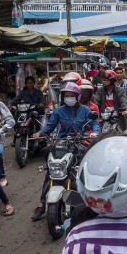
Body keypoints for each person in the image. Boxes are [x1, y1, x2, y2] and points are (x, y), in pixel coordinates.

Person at [31, 83, 101, 221]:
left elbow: (94, 124)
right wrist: (39, 133)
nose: (69, 98)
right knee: (52, 170)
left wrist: (95, 133)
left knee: (87, 168)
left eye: (71, 95)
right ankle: (41, 203)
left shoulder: (85, 110)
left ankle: (93, 199)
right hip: (62, 142)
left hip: (80, 142)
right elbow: (50, 126)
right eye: (66, 96)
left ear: (77, 96)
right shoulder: (59, 111)